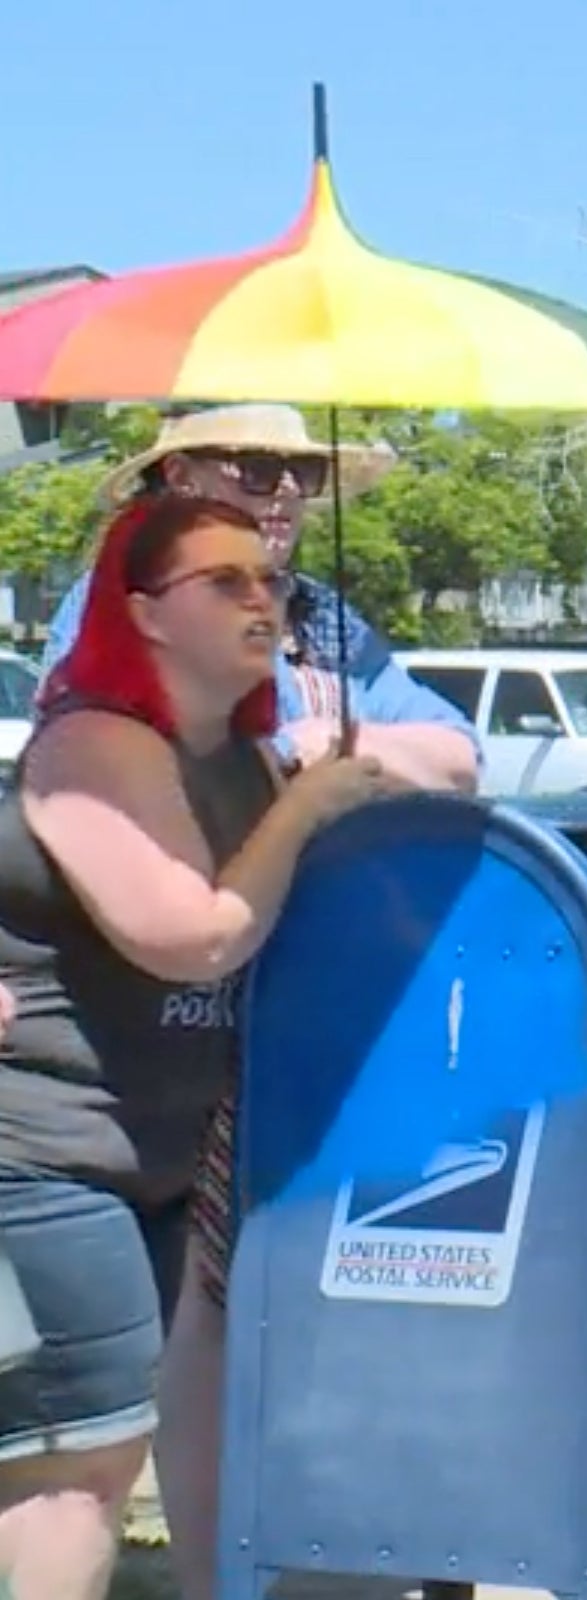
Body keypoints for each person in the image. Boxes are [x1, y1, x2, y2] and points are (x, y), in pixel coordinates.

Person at [42, 404, 480, 1600]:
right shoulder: (108, 628)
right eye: (252, 468)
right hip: (104, 1089)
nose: (283, 491)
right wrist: (303, 752)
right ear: (177, 478)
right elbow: (175, 890)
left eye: (299, 470)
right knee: (94, 1426)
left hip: (265, 1048)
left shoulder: (324, 619)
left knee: (211, 1333)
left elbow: (452, 754)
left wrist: (309, 727)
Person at [0, 497, 386, 1600]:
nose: (261, 597)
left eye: (268, 577)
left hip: (147, 1160)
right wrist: (305, 811)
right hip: (40, 1151)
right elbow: (195, 935)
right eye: (222, 581)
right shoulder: (96, 743)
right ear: (143, 613)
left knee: (77, 1455)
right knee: (78, 1465)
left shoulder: (241, 754)